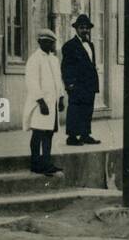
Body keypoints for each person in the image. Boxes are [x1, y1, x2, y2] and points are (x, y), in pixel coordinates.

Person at [23, 28, 64, 176]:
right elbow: (32, 82)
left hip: (52, 103)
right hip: (40, 104)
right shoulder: (35, 59)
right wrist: (41, 102)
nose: (52, 46)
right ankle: (35, 162)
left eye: (53, 43)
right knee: (38, 133)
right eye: (49, 43)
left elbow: (58, 81)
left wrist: (61, 97)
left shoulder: (53, 59)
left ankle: (46, 162)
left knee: (49, 134)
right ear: (41, 42)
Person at [61, 14, 101, 146]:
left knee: (87, 109)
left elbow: (91, 64)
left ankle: (85, 134)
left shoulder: (91, 45)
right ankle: (71, 137)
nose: (85, 30)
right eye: (82, 27)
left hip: (89, 84)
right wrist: (69, 83)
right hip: (76, 84)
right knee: (74, 109)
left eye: (87, 28)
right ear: (76, 29)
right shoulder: (69, 46)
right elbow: (66, 67)